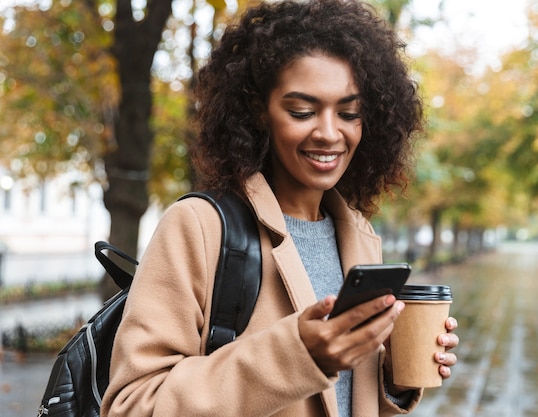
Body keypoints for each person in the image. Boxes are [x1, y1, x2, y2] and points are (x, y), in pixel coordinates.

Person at [101, 0, 459, 415]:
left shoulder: (359, 237)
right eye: (302, 111)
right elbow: (133, 405)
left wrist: (394, 375)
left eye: (349, 113)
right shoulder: (198, 227)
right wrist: (299, 354)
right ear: (259, 110)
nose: (329, 133)